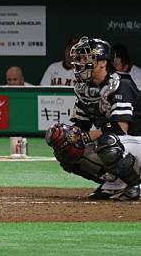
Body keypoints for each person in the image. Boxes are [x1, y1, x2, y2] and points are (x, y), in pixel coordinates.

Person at [45, 36, 141, 201]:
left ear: (102, 62)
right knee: (64, 143)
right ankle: (115, 183)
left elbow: (119, 129)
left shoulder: (121, 84)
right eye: (79, 59)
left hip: (136, 140)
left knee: (108, 143)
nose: (80, 63)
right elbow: (80, 125)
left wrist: (86, 137)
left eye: (85, 58)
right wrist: (67, 136)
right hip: (122, 146)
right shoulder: (86, 89)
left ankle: (135, 184)